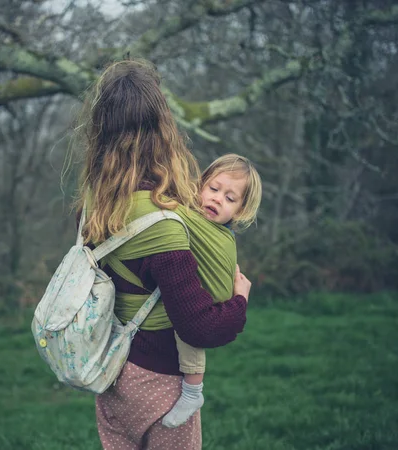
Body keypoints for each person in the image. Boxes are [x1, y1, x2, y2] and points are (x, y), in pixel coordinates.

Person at [74, 58, 251, 450]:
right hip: (160, 382)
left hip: (110, 374)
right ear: (162, 127)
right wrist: (239, 301)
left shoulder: (93, 201)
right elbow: (201, 328)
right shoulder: (166, 225)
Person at [162, 153, 262, 429]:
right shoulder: (193, 216)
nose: (217, 199)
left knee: (191, 336)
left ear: (239, 211)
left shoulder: (219, 234)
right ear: (200, 186)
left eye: (230, 198)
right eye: (214, 189)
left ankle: (193, 392)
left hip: (206, 304)